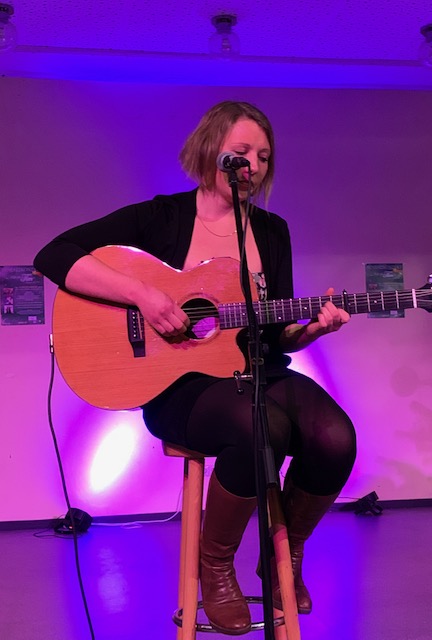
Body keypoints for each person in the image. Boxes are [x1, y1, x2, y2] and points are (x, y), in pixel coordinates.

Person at [34, 101, 356, 635]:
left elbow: (275, 332)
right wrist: (143, 295)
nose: (254, 166)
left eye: (264, 157)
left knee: (336, 437)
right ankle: (216, 568)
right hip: (180, 387)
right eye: (242, 153)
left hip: (256, 372)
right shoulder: (161, 218)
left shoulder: (272, 231)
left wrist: (312, 330)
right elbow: (54, 254)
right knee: (258, 427)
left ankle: (286, 554)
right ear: (210, 150)